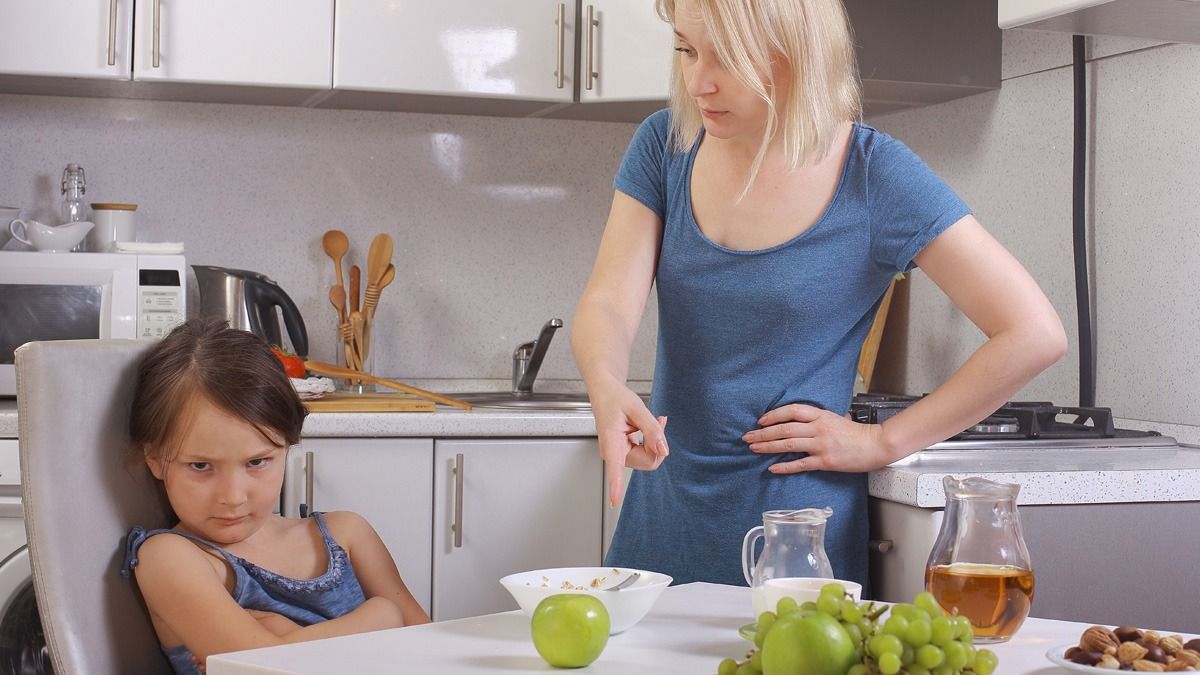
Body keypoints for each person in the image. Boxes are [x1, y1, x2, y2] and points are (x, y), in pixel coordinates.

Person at [571, 0, 1067, 589]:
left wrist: (885, 439)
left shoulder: (873, 173)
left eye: (726, 58)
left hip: (794, 541)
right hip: (661, 521)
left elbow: (1033, 333)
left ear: (796, 54)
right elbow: (608, 302)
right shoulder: (666, 145)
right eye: (686, 49)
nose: (697, 80)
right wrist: (605, 386)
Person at [121, 317, 429, 674]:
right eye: (201, 466)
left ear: (287, 446)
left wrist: (284, 639)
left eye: (257, 462)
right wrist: (381, 617)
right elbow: (265, 668)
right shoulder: (170, 558)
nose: (233, 497)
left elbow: (431, 648)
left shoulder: (346, 535)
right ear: (156, 459)